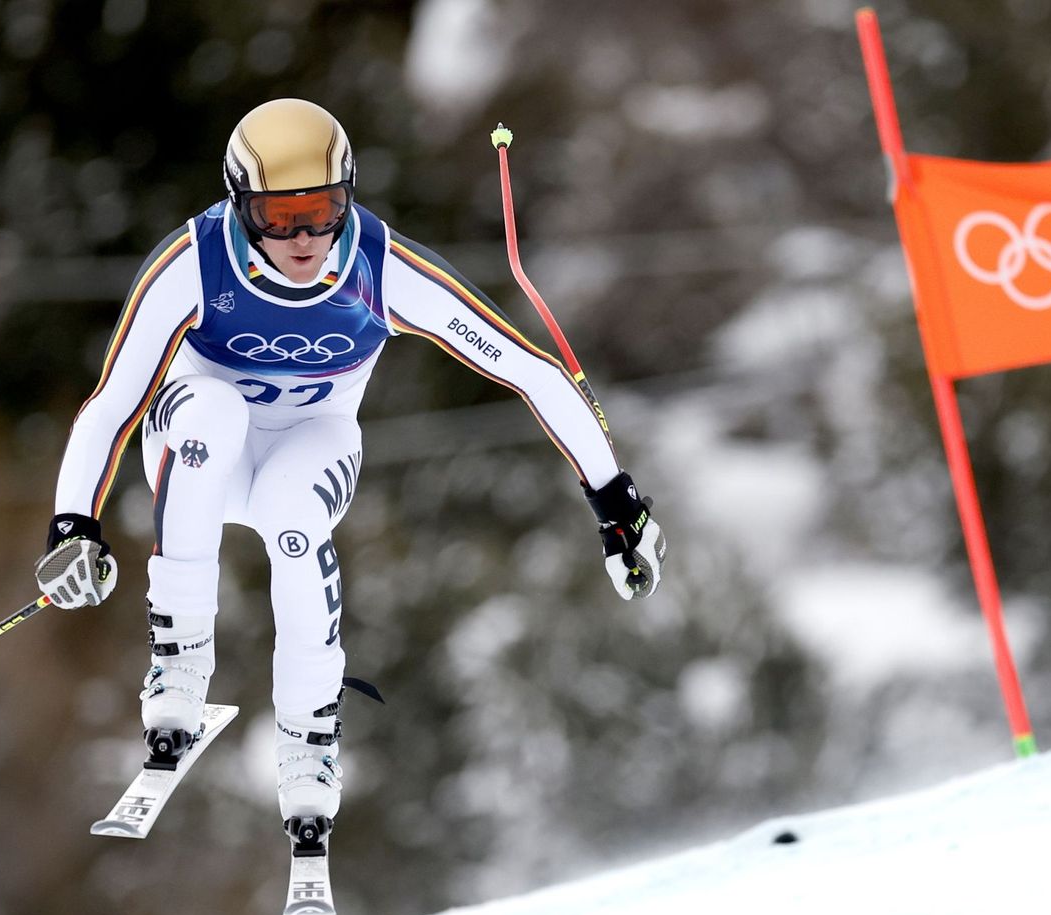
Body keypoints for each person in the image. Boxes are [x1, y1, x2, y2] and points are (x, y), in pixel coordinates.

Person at [34, 98, 666, 857]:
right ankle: (178, 665)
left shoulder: (380, 266)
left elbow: (529, 371)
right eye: (277, 216)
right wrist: (74, 525)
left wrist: (618, 506)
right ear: (240, 207)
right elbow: (111, 407)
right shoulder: (193, 264)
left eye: (322, 210)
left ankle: (308, 738)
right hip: (196, 454)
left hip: (311, 445)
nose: (302, 238)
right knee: (213, 412)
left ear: (349, 196)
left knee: (293, 520)